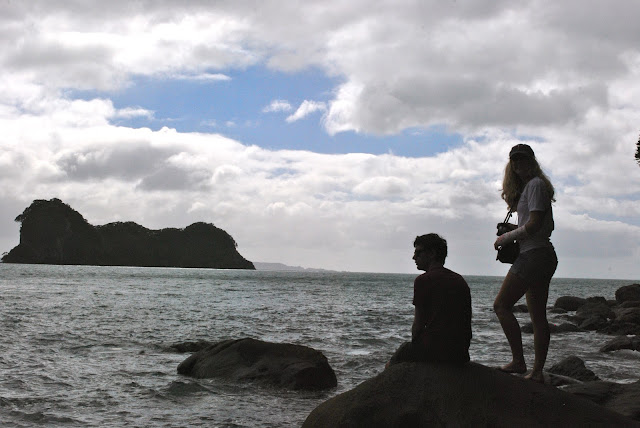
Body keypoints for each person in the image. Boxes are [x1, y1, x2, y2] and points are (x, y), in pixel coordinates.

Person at [493, 143, 558, 383]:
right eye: (515, 160)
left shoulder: (535, 185)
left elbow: (534, 225)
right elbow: (538, 225)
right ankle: (537, 372)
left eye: (523, 159)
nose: (519, 164)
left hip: (534, 255)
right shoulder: (533, 187)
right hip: (541, 254)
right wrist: (513, 228)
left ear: (532, 161)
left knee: (501, 305)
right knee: (538, 318)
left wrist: (505, 237)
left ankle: (519, 362)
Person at [387, 233, 472, 367]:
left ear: (432, 253)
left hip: (436, 352)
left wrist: (415, 346)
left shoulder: (424, 280)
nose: (414, 257)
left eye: (418, 253)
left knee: (396, 359)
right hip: (460, 353)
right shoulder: (459, 280)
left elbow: (418, 325)